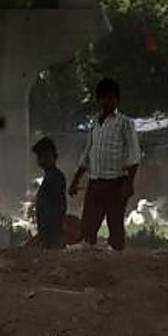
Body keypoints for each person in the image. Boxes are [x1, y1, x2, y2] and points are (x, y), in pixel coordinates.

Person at [69, 78, 142, 250]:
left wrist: (130, 183)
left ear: (117, 100)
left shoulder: (125, 123)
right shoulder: (95, 123)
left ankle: (116, 255)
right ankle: (89, 249)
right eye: (103, 98)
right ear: (98, 100)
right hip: (96, 181)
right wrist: (75, 181)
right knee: (88, 223)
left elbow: (134, 155)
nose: (107, 101)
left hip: (117, 181)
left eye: (110, 98)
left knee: (115, 222)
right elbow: (87, 154)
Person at [32, 137, 67, 249]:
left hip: (52, 232)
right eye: (39, 156)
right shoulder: (50, 177)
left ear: (53, 156)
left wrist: (49, 232)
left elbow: (57, 207)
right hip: (48, 232)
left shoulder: (55, 177)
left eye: (43, 156)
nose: (41, 160)